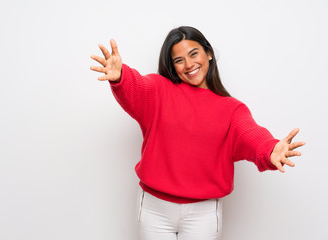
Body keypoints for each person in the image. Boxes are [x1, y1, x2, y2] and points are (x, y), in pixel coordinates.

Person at [90, 26, 305, 240]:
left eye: (194, 54)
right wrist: (121, 77)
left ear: (208, 53)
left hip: (203, 215)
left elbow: (249, 134)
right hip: (154, 210)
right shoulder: (159, 90)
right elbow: (137, 88)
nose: (189, 64)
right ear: (172, 66)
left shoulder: (232, 109)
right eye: (179, 60)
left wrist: (270, 149)